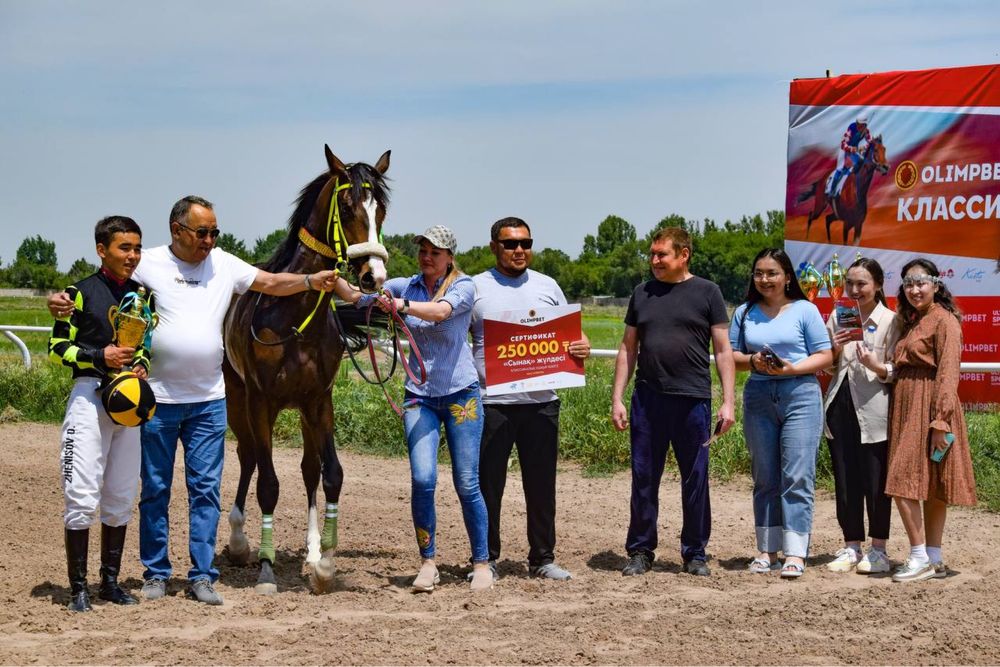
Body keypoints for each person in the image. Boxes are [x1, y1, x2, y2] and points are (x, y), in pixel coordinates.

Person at [49, 195, 341, 605]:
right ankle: (155, 574)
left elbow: (271, 283)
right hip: (156, 401)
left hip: (209, 401)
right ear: (177, 231)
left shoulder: (224, 264)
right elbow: (104, 283)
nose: (209, 240)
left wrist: (311, 281)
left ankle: (202, 575)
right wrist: (60, 301)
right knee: (155, 489)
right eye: (202, 232)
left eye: (214, 232)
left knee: (205, 491)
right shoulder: (146, 261)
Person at [340, 225, 493, 592]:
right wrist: (334, 279)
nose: (427, 256)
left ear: (450, 257)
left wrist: (400, 306)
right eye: (423, 250)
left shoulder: (464, 286)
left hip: (461, 395)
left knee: (467, 482)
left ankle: (482, 562)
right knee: (423, 479)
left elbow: (440, 313)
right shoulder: (402, 285)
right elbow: (356, 297)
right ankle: (428, 561)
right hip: (419, 396)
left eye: (434, 252)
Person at [468, 217, 591, 582]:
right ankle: (485, 558)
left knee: (541, 485)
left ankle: (542, 558)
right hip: (492, 404)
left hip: (541, 403)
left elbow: (571, 337)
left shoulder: (547, 285)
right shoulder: (474, 288)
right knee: (488, 485)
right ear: (494, 247)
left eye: (525, 243)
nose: (519, 250)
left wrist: (580, 347)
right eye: (510, 244)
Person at [610, 227, 736, 577]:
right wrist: (617, 397)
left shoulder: (708, 292)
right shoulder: (641, 293)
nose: (654, 261)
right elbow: (627, 347)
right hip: (647, 401)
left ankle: (695, 552)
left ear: (684, 254)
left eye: (661, 254)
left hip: (693, 400)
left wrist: (729, 402)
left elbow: (723, 350)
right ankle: (640, 549)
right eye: (651, 254)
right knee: (644, 478)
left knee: (695, 479)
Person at [49, 215, 151, 612]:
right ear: (101, 250)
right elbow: (59, 347)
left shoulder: (143, 297)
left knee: (122, 492)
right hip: (89, 395)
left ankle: (109, 583)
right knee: (81, 493)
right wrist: (99, 355)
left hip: (129, 400)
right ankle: (78, 588)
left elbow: (145, 345)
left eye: (137, 248)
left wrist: (140, 363)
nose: (133, 255)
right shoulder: (78, 293)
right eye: (125, 248)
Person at [856, 258, 977, 582]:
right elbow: (901, 369)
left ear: (936, 285)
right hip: (906, 405)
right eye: (909, 283)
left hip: (933, 406)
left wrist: (941, 421)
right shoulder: (910, 321)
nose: (914, 289)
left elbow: (949, 373)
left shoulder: (945, 321)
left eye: (921, 282)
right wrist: (877, 366)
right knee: (920, 482)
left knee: (902, 479)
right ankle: (932, 557)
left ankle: (922, 555)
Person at [729, 248, 832, 579]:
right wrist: (753, 362)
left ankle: (796, 552)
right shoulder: (744, 312)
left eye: (772, 273)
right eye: (758, 273)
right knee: (765, 476)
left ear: (788, 276)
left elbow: (825, 355)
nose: (764, 279)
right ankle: (766, 550)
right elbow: (730, 355)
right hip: (758, 395)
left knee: (797, 476)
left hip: (800, 394)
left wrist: (791, 369)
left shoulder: (806, 310)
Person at [822, 257, 899, 574]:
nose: (854, 290)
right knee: (845, 478)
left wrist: (876, 366)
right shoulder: (838, 316)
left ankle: (878, 548)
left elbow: (898, 370)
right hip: (840, 404)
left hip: (875, 409)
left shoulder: (892, 321)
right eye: (850, 283)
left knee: (876, 481)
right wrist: (835, 350)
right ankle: (851, 545)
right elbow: (826, 366)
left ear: (878, 284)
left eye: (862, 284)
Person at [826, 115, 875, 197]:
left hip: (854, 150)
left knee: (860, 163)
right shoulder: (852, 128)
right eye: (857, 123)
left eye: (860, 125)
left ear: (865, 125)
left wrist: (864, 147)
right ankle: (832, 190)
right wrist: (854, 149)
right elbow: (843, 145)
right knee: (840, 168)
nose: (858, 126)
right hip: (844, 150)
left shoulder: (866, 131)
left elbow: (870, 142)